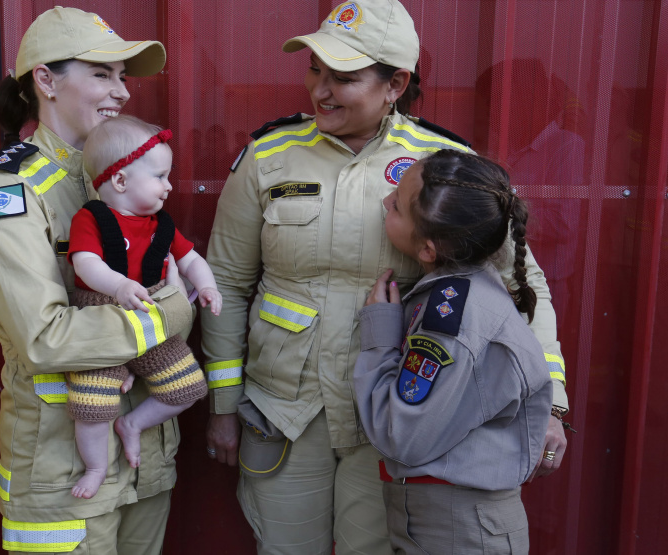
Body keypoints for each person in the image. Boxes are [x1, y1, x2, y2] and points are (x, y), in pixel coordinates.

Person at [200, 1, 570, 553]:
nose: (320, 91)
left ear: (395, 83)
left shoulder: (441, 165)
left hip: (392, 414)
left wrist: (553, 402)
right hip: (284, 409)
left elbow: (521, 284)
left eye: (344, 78)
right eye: (315, 70)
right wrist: (223, 406)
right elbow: (224, 284)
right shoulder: (269, 156)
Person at [0, 7, 191, 554]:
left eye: (123, 77)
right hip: (62, 470)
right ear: (45, 79)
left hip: (144, 452)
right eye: (102, 74)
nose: (123, 93)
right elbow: (44, 338)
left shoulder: (120, 171)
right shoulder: (6, 192)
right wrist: (171, 312)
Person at [354, 149, 554, 554]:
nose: (384, 202)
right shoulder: (464, 290)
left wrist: (378, 338)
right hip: (448, 516)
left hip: (455, 526)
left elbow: (403, 434)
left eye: (395, 205)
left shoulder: (452, 316)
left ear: (429, 250)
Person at [67, 115, 219, 498]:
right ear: (120, 181)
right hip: (101, 317)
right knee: (92, 406)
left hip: (154, 319)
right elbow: (85, 263)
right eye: (160, 177)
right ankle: (97, 466)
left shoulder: (160, 226)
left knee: (188, 388)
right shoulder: (92, 218)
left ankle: (132, 424)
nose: (169, 186)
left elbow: (191, 260)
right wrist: (119, 285)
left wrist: (206, 285)